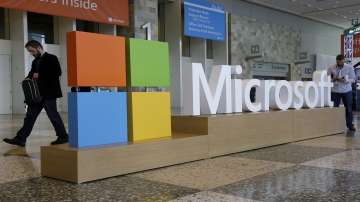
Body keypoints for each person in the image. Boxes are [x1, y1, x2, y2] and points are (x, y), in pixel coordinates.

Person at [3, 40, 68, 147]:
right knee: (29, 117)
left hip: (49, 94)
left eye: (31, 51)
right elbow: (32, 74)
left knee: (53, 116)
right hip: (36, 94)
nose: (31, 53)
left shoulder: (52, 58)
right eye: (29, 52)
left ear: (38, 47)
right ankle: (20, 139)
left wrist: (40, 75)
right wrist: (26, 79)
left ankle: (63, 137)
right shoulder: (35, 61)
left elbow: (57, 72)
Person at [327, 54, 356, 131]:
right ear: (336, 61)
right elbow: (326, 78)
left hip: (346, 91)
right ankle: (333, 125)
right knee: (334, 108)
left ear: (343, 60)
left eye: (341, 62)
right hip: (335, 91)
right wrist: (333, 79)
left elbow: (353, 79)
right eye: (338, 62)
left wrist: (346, 80)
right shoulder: (331, 67)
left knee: (349, 109)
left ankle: (350, 125)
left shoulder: (349, 67)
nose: (339, 63)